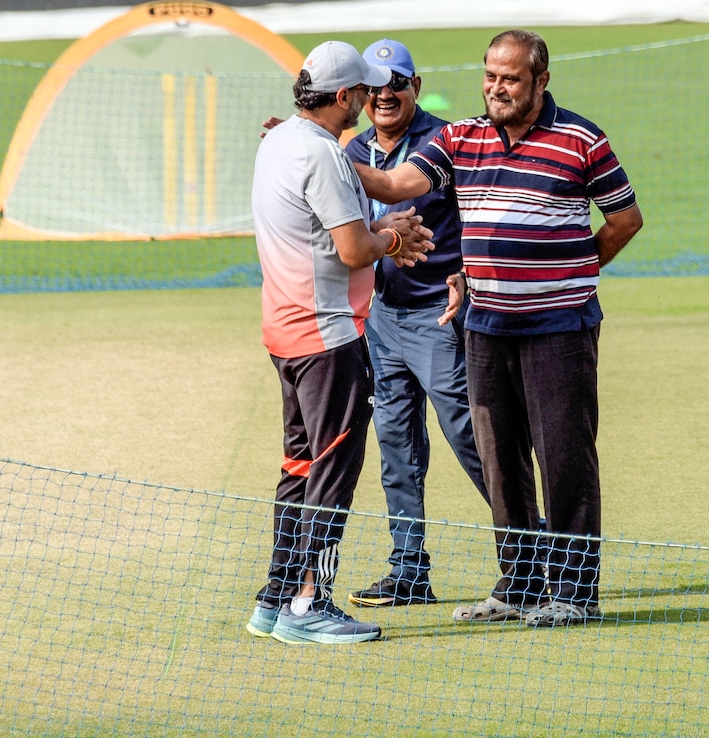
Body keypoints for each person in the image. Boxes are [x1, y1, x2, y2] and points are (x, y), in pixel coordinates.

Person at [354, 29, 643, 628]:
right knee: (502, 460)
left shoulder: (582, 138)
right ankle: (518, 586)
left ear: (541, 81)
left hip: (560, 328)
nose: (497, 88)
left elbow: (625, 218)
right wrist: (317, 148)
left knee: (564, 458)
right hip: (485, 327)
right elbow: (392, 184)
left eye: (510, 78)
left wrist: (574, 266)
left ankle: (575, 593)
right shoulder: (460, 137)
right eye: (490, 76)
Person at [243, 40, 434, 645]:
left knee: (299, 465)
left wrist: (382, 228)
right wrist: (392, 242)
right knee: (332, 469)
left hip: (286, 330)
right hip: (327, 336)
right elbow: (351, 251)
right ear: (345, 96)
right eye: (364, 90)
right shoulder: (324, 154)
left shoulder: (279, 142)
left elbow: (328, 236)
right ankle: (310, 605)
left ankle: (275, 598)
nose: (372, 97)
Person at [342, 39, 491, 609]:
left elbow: (479, 216)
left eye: (396, 84)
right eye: (375, 87)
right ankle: (409, 571)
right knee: (397, 447)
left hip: (441, 318)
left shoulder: (445, 141)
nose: (385, 95)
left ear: (415, 87)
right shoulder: (354, 147)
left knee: (469, 438)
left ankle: (536, 550)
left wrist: (467, 279)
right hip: (382, 321)